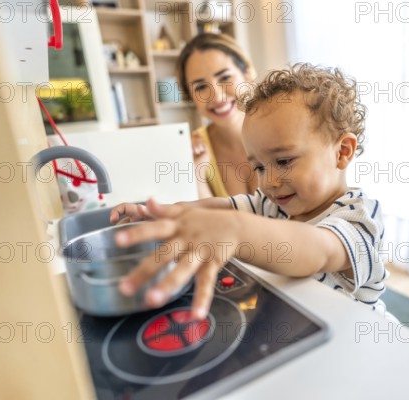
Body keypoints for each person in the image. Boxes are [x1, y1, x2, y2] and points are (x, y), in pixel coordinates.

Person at [111, 63, 388, 320]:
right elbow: (220, 207)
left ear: (342, 152)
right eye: (259, 167)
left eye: (283, 161)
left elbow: (316, 250)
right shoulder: (275, 206)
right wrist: (164, 214)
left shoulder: (360, 220)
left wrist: (236, 229)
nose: (269, 182)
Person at [176, 33, 258, 198]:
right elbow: (209, 221)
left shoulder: (282, 128)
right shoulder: (190, 151)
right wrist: (197, 177)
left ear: (247, 75)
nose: (217, 96)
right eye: (200, 87)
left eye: (225, 77)